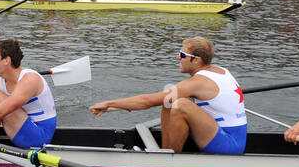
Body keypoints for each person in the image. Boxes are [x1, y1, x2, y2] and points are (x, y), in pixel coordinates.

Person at [90, 37, 246, 154]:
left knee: (178, 104)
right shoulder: (221, 70)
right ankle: (166, 150)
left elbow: (148, 101)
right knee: (172, 99)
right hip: (231, 137)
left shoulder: (199, 82)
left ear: (196, 60)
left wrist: (109, 102)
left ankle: (169, 158)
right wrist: (116, 107)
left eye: (182, 54)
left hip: (229, 145)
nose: (178, 57)